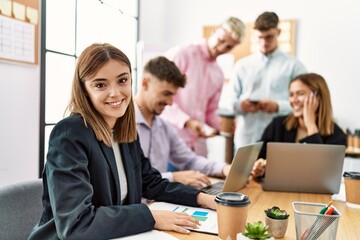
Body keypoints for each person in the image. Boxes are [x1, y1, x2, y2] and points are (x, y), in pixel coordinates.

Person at [28, 43, 217, 239]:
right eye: (100, 84)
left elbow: (150, 182)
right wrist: (150, 217)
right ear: (84, 90)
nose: (116, 93)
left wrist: (203, 199)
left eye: (122, 80)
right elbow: (77, 224)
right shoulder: (69, 134)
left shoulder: (123, 129)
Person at [135, 56, 231, 189]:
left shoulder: (164, 127)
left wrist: (225, 168)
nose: (170, 102)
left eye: (172, 95)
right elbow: (126, 179)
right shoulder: (121, 125)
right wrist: (173, 177)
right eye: (166, 93)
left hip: (160, 201)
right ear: (145, 83)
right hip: (133, 207)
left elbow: (190, 160)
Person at [161, 16, 246, 157]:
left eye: (229, 46)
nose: (222, 48)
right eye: (221, 40)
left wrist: (221, 125)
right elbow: (160, 96)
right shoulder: (182, 54)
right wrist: (187, 122)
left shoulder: (218, 74)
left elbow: (210, 111)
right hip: (171, 141)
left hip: (198, 148)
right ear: (214, 31)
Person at [231, 11, 307, 148]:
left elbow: (304, 103)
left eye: (269, 37)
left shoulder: (294, 66)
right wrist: (241, 106)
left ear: (278, 32)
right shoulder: (242, 65)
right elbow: (228, 102)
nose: (264, 42)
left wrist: (278, 106)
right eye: (260, 37)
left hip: (280, 142)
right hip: (246, 141)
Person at [251, 73, 347, 178]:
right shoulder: (278, 125)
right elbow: (258, 158)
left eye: (300, 93)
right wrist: (259, 167)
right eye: (291, 95)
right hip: (278, 189)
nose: (294, 100)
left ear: (318, 97)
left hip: (316, 193)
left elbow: (323, 173)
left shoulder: (337, 136)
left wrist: (310, 124)